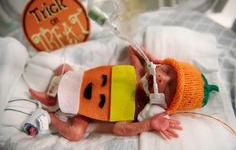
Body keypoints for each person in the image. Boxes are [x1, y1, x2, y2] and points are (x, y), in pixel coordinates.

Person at [28, 45, 218, 141]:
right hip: (79, 80)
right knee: (64, 67)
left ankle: (50, 115)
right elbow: (131, 49)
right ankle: (51, 95)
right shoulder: (137, 73)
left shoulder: (139, 111)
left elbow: (118, 128)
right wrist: (151, 59)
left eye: (169, 88)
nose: (162, 79)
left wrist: (148, 124)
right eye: (167, 71)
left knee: (76, 133)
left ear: (167, 105)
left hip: (82, 112)